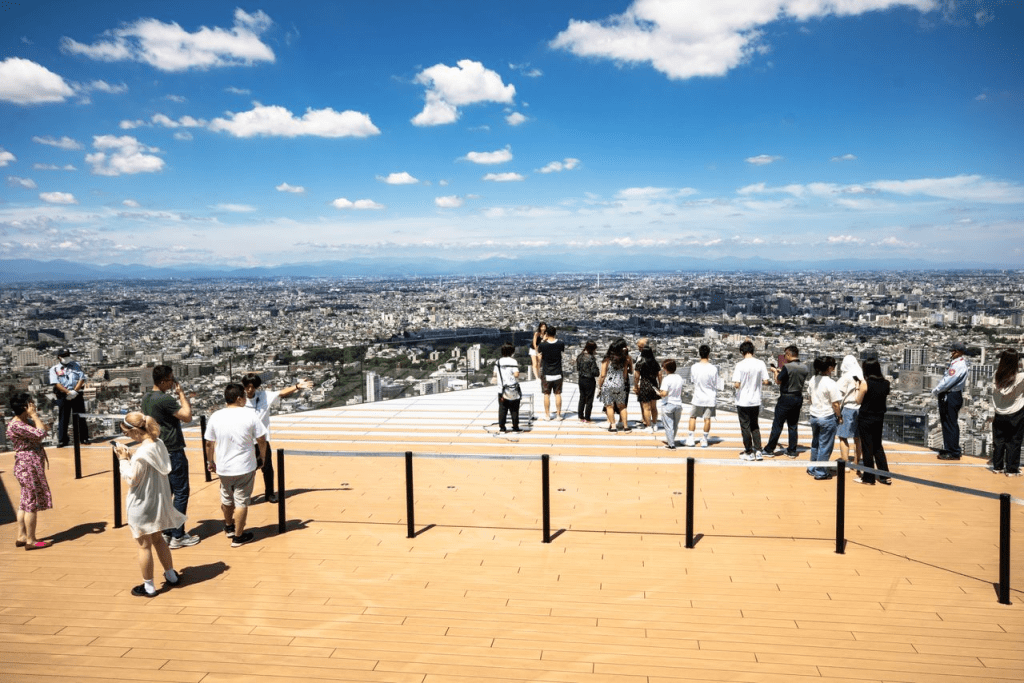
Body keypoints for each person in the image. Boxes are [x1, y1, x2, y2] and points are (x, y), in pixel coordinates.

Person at [114, 412, 184, 596]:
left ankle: (149, 586)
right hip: (158, 502)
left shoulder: (141, 455)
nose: (128, 437)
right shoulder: (159, 444)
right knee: (158, 539)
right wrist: (131, 458)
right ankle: (171, 575)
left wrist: (123, 460)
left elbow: (132, 479)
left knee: (144, 546)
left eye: (128, 433)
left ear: (136, 432)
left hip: (142, 505)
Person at [141, 365, 199, 548]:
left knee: (166, 493)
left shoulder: (146, 398)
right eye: (172, 379)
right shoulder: (165, 399)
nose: (174, 382)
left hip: (157, 448)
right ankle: (178, 535)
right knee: (181, 492)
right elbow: (187, 416)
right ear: (164, 381)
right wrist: (181, 394)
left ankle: (166, 532)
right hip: (172, 448)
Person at [204, 382, 268, 547]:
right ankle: (238, 537)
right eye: (244, 397)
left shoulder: (216, 416)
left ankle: (229, 526)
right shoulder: (250, 416)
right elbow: (261, 439)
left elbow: (209, 443)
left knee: (226, 497)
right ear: (239, 398)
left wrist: (210, 461)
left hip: (223, 467)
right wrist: (263, 457)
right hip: (245, 466)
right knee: (241, 501)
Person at [242, 373, 312, 503]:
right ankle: (243, 495)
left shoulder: (264, 396)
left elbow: (281, 393)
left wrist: (297, 386)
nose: (250, 390)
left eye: (253, 387)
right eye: (247, 387)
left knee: (267, 468)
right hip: (244, 440)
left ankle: (269, 493)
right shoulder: (240, 399)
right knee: (245, 469)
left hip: (261, 440)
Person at [7, 392, 53, 550]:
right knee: (31, 503)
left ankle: (21, 536)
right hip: (28, 465)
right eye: (31, 403)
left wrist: (35, 419)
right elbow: (41, 433)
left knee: (24, 501)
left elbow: (41, 431)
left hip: (27, 464)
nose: (34, 405)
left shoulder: (21, 422)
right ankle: (31, 540)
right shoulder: (18, 425)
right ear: (25, 407)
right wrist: (35, 416)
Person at [763, 345, 810, 458]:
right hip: (798, 397)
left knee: (777, 424)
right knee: (793, 425)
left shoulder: (787, 366)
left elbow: (778, 381)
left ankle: (770, 449)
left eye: (785, 355)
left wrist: (775, 371)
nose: (785, 357)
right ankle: (792, 451)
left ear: (789, 354)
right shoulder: (805, 367)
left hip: (786, 398)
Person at [854, 359, 891, 485]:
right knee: (877, 446)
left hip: (866, 417)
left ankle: (868, 477)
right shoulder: (886, 383)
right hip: (879, 417)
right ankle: (885, 476)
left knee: (867, 447)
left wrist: (857, 388)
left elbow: (858, 401)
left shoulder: (865, 383)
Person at [732, 340, 770, 461]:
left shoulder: (739, 365)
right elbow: (766, 381)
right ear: (753, 351)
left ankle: (749, 451)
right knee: (755, 425)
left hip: (742, 400)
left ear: (741, 352)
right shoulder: (760, 363)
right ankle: (758, 450)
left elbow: (737, 384)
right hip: (755, 400)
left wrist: (737, 385)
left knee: (745, 426)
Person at [807, 356, 842, 480]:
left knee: (815, 443)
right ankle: (820, 472)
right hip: (827, 416)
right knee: (825, 445)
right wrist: (839, 416)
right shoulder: (831, 383)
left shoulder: (813, 379)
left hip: (814, 416)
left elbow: (809, 397)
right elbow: (836, 404)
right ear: (830, 368)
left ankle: (812, 468)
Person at [933, 341, 969, 460]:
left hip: (951, 395)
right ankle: (950, 448)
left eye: (953, 351)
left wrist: (936, 390)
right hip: (952, 394)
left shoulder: (958, 365)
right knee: (947, 423)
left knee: (950, 423)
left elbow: (948, 380)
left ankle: (953, 451)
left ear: (959, 352)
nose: (951, 353)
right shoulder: (957, 363)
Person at [991, 349, 1024, 477]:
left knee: (999, 440)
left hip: (999, 412)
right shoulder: (1020, 378)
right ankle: (1011, 469)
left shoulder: (996, 375)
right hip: (1016, 413)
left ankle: (997, 466)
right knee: (1014, 441)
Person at [49, 349, 89, 448]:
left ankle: (84, 438)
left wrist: (75, 391)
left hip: (77, 393)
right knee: (63, 417)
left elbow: (81, 378)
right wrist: (68, 392)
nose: (67, 357)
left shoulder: (76, 365)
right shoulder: (54, 369)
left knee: (80, 416)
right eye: (64, 355)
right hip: (63, 395)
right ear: (59, 357)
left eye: (67, 355)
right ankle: (62, 440)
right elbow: (56, 383)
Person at [685, 344, 718, 448]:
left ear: (699, 354)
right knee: (707, 419)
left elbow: (693, 380)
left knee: (693, 416)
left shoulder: (694, 367)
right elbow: (715, 383)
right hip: (710, 397)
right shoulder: (713, 368)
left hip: (698, 396)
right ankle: (704, 439)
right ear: (709, 354)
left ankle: (690, 438)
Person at [836, 355, 863, 465]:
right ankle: (856, 462)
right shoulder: (861, 375)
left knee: (843, 436)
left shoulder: (846, 377)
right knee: (857, 438)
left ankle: (845, 463)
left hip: (847, 409)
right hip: (860, 409)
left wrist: (838, 414)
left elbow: (838, 394)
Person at [598, 340, 630, 432]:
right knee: (622, 406)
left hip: (608, 384)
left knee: (609, 406)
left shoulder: (607, 359)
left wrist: (600, 385)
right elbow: (625, 374)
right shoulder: (625, 359)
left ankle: (613, 426)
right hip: (620, 384)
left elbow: (603, 375)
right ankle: (626, 427)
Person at [538, 325, 566, 420]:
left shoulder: (543, 345)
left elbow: (539, 352)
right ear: (555, 333)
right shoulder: (560, 343)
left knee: (546, 394)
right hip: (558, 372)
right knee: (557, 394)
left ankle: (547, 415)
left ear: (546, 333)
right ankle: (558, 415)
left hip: (546, 373)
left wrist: (543, 340)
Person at [494, 342, 521, 433]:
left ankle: (502, 427)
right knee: (514, 408)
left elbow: (495, 373)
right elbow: (516, 374)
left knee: (502, 408)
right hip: (512, 388)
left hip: (501, 389)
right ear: (511, 351)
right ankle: (515, 426)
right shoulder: (513, 361)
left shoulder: (498, 362)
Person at [634, 345, 661, 432]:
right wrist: (660, 386)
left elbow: (636, 377)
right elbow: (660, 375)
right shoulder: (655, 362)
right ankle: (655, 424)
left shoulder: (640, 363)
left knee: (646, 408)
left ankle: (648, 426)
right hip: (654, 385)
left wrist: (636, 386)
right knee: (654, 407)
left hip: (644, 385)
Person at [658, 359, 684, 449]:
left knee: (669, 425)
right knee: (675, 425)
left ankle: (671, 444)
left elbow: (664, 393)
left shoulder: (666, 379)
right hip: (678, 404)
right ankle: (671, 440)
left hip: (668, 404)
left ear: (665, 368)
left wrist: (659, 393)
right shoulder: (679, 378)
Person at [575, 340, 600, 423]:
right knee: (589, 399)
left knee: (582, 397)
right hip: (589, 380)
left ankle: (580, 416)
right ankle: (587, 417)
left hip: (581, 379)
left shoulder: (580, 356)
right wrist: (597, 370)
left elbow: (578, 368)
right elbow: (595, 372)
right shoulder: (591, 358)